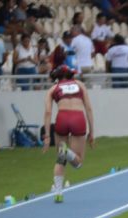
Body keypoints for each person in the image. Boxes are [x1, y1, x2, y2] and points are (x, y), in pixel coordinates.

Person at [42, 65, 95, 204]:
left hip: (62, 118)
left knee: (60, 159)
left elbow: (48, 113)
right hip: (78, 118)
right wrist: (92, 132)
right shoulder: (80, 85)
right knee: (78, 163)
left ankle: (58, 193)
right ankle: (68, 153)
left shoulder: (53, 89)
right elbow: (88, 108)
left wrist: (47, 136)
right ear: (70, 75)